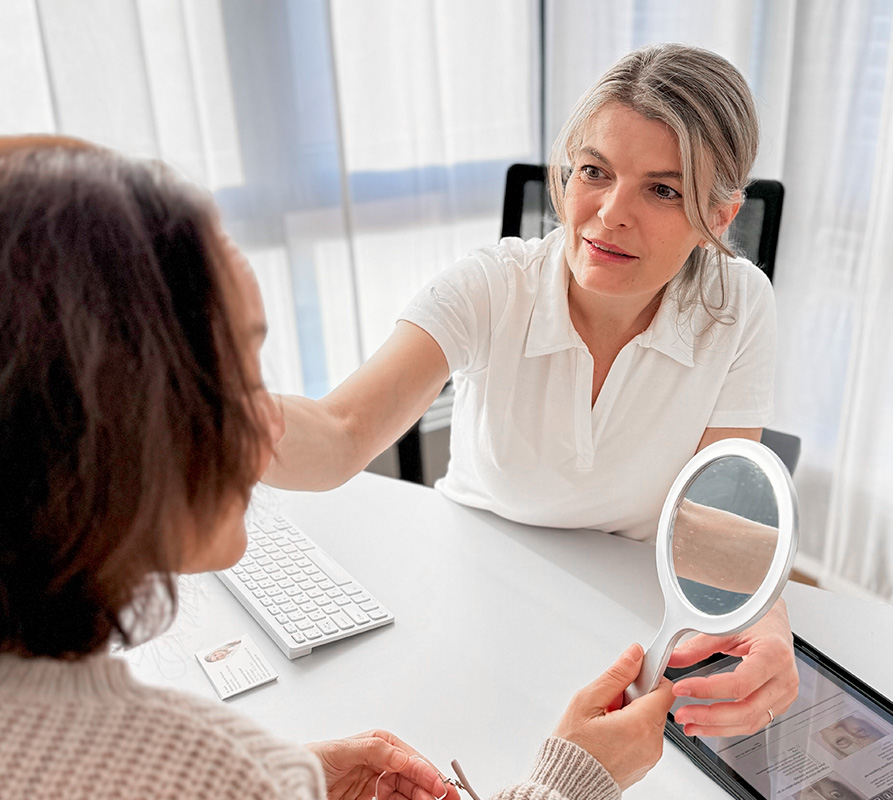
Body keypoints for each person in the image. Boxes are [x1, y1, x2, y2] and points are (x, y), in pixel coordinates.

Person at [0, 136, 675, 800]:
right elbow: (343, 428)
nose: (269, 422)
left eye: (663, 187)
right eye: (237, 376)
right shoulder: (182, 761)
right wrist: (571, 780)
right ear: (106, 419)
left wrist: (282, 776)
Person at [264, 43, 797, 736]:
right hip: (466, 582)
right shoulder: (492, 285)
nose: (609, 214)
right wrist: (176, 411)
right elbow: (338, 436)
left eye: (662, 190)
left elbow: (715, 517)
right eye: (594, 172)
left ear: (719, 218)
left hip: (623, 611)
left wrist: (770, 618)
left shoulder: (738, 305)